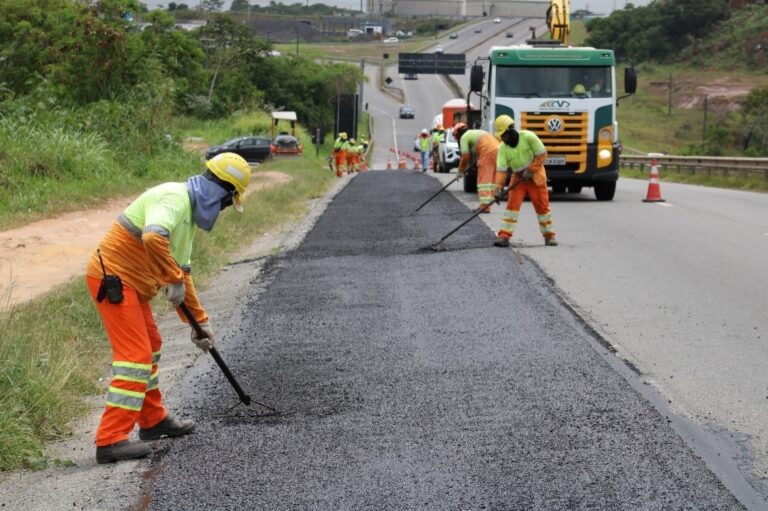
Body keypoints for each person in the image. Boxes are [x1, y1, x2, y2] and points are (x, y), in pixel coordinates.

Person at [85, 152, 252, 464]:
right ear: (221, 192)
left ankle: (152, 421)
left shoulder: (186, 215)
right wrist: (170, 276)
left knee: (152, 346)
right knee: (135, 356)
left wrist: (199, 325)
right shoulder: (174, 198)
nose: (225, 209)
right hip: (113, 279)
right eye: (228, 203)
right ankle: (110, 440)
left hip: (132, 284)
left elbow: (182, 275)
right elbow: (153, 236)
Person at [492, 114, 557, 247]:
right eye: (500, 136)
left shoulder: (528, 137)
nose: (502, 139)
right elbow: (501, 170)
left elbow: (542, 154)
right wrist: (498, 188)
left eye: (504, 135)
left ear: (511, 130)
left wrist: (531, 169)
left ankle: (549, 236)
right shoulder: (503, 148)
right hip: (518, 178)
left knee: (542, 208)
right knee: (512, 207)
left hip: (535, 177)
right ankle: (504, 236)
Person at [454, 122, 500, 212]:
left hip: (488, 152)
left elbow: (465, 156)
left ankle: (484, 207)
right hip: (498, 150)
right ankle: (489, 204)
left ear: (458, 134)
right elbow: (482, 146)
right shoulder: (475, 132)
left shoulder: (464, 137)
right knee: (491, 180)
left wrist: (460, 171)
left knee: (484, 180)